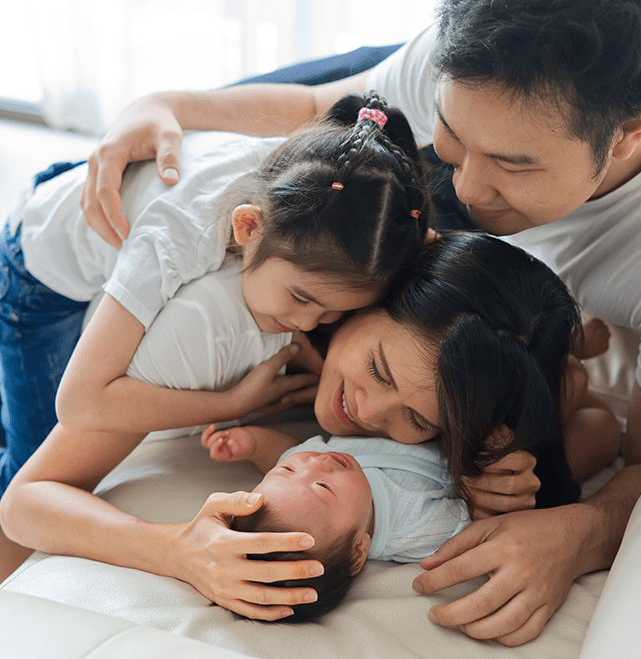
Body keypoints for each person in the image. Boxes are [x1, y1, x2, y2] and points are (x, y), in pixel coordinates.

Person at [75, 0, 641, 644]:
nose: (472, 192)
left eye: (515, 164)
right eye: (454, 142)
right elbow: (323, 111)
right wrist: (167, 104)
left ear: (631, 131)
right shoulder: (469, 65)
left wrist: (582, 532)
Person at [1, 232, 604, 620]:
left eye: (417, 420)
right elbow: (24, 504)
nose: (368, 415)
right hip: (47, 284)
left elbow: (581, 417)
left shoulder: (471, 364)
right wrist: (179, 550)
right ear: (379, 292)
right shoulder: (216, 329)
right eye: (377, 369)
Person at [0, 91, 436, 579]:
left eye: (337, 312)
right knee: (25, 460)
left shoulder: (335, 194)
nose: (311, 325)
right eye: (301, 299)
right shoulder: (173, 240)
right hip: (38, 269)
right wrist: (230, 402)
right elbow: (78, 403)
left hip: (120, 208)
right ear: (248, 226)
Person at [201, 424, 472, 622]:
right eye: (323, 487)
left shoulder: (308, 471)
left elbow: (286, 451)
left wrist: (255, 445)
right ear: (357, 552)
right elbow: (480, 513)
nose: (316, 462)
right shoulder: (414, 525)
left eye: (286, 470)